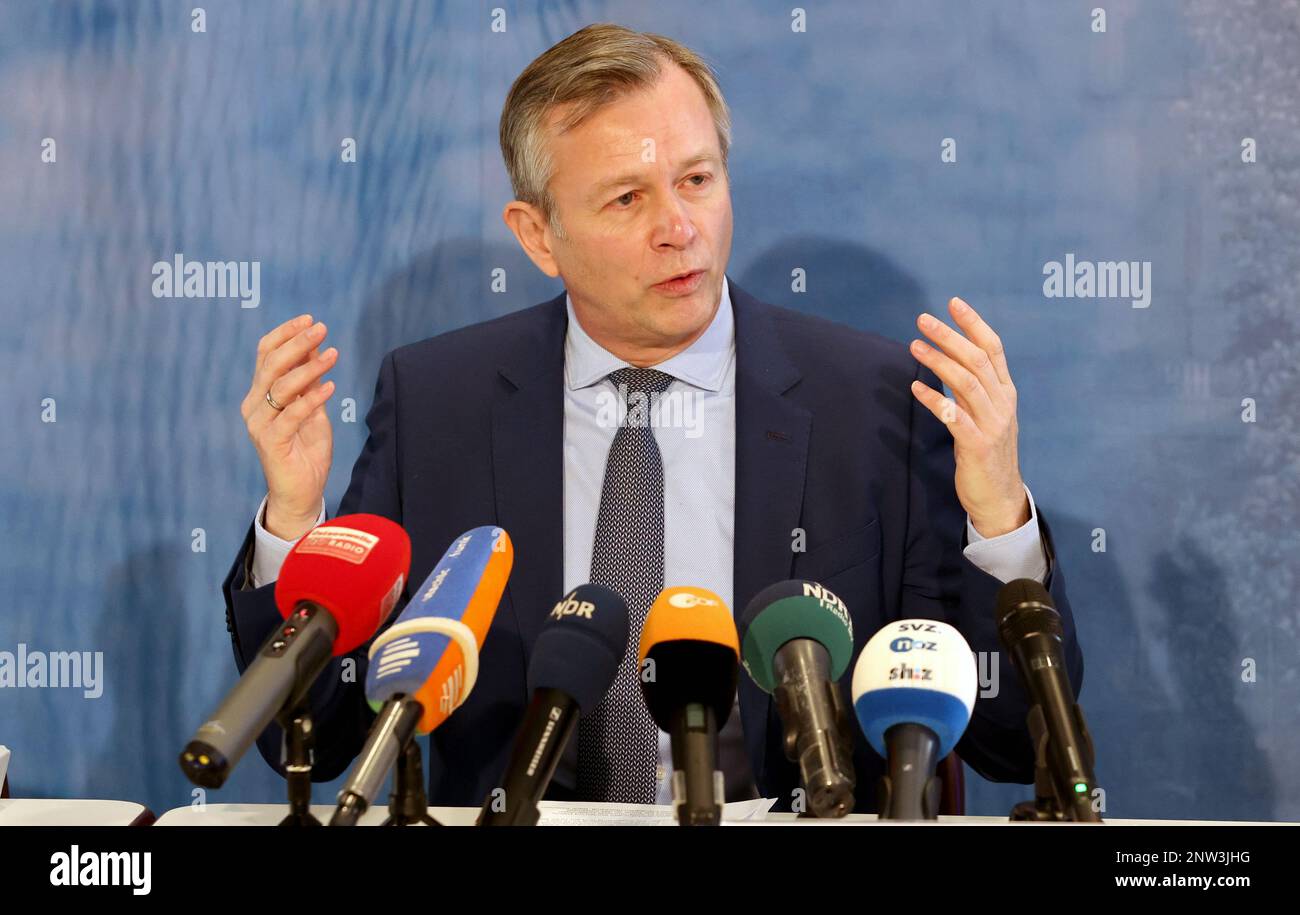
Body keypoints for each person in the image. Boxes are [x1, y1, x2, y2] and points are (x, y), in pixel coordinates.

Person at [223, 23, 1083, 811]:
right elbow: (321, 736)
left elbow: (1012, 745)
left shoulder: (872, 400)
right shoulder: (436, 402)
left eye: (697, 180)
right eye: (627, 199)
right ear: (537, 235)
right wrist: (298, 523)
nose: (680, 228)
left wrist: (998, 520)